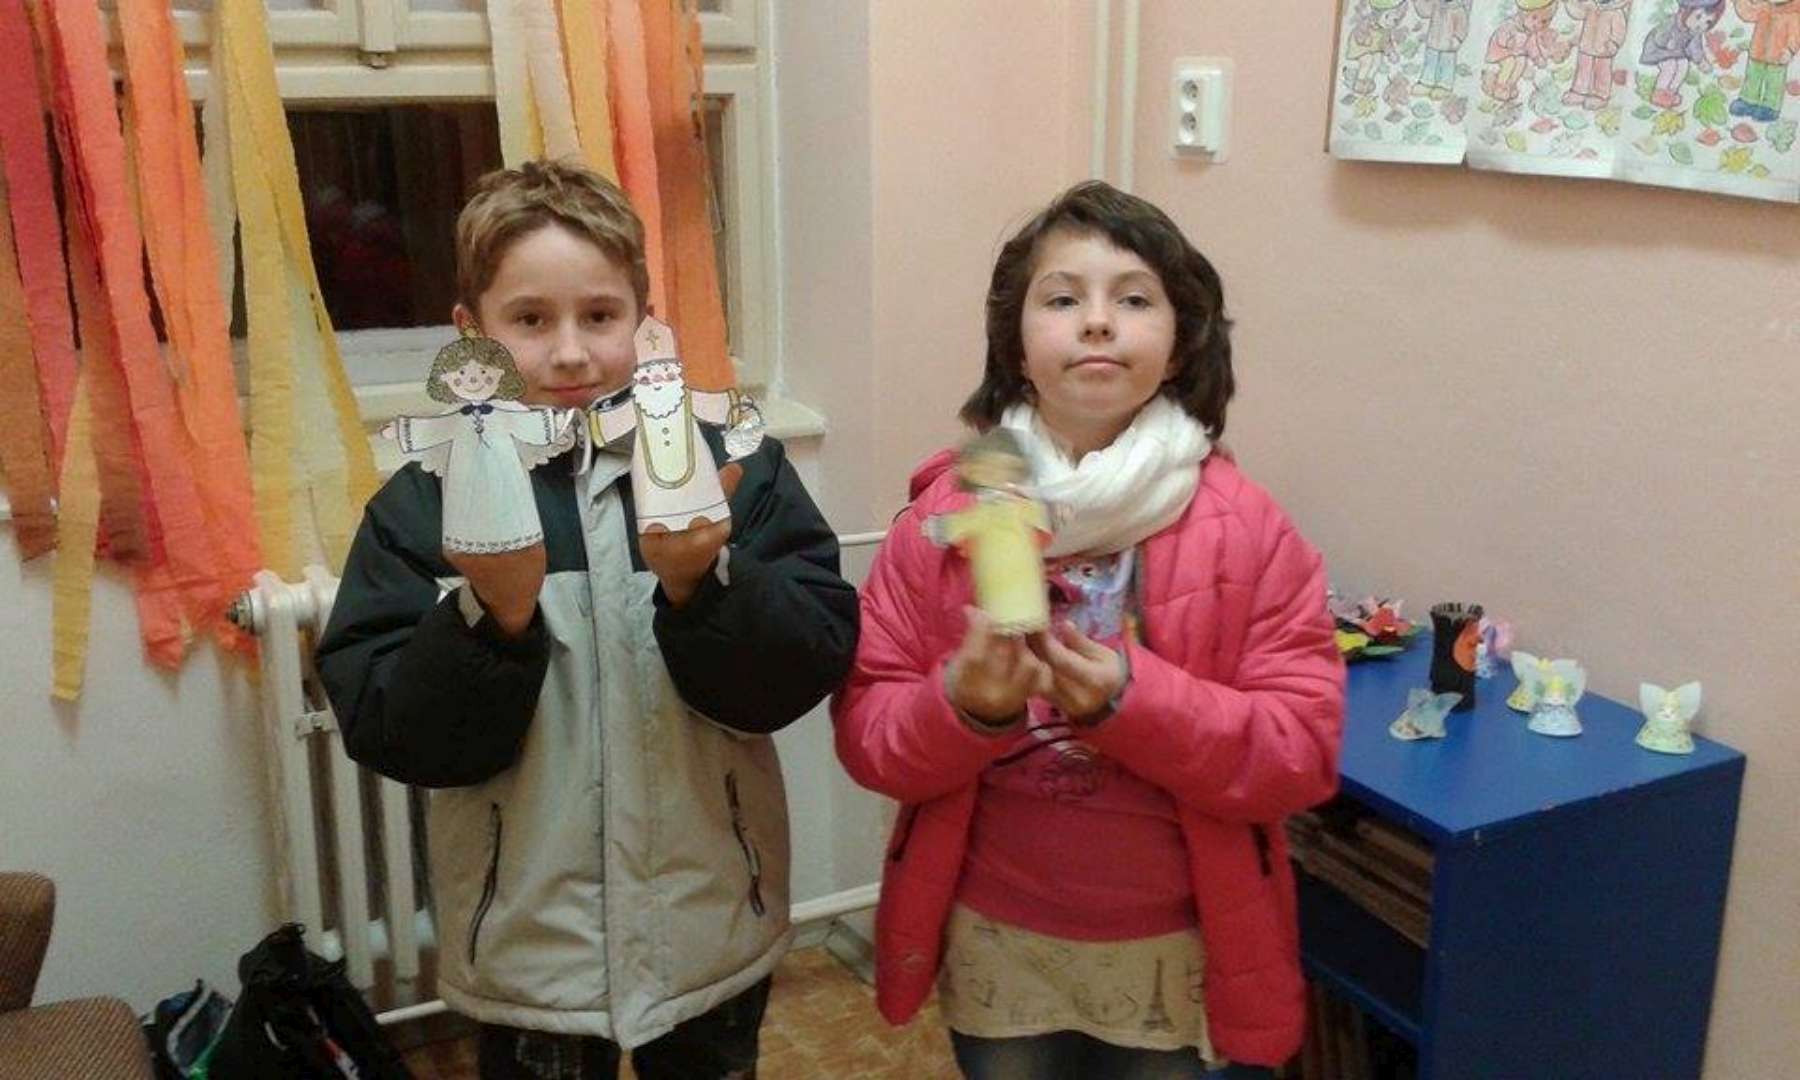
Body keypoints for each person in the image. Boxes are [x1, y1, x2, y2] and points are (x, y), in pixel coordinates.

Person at [316, 158, 859, 1080]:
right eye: (530, 320)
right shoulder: (424, 503)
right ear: (473, 334)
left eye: (599, 316)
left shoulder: (735, 467)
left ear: (645, 322)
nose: (569, 353)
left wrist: (702, 585)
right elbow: (394, 729)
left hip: (711, 921)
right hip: (533, 944)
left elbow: (801, 670)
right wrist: (492, 615)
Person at [832, 180, 1344, 1079]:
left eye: (1134, 300)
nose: (1098, 322)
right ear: (1016, 346)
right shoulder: (945, 518)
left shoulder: (1249, 529)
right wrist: (966, 706)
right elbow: (870, 740)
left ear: (1181, 345)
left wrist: (1131, 702)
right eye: (1063, 299)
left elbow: (1300, 754)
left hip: (1176, 942)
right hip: (998, 934)